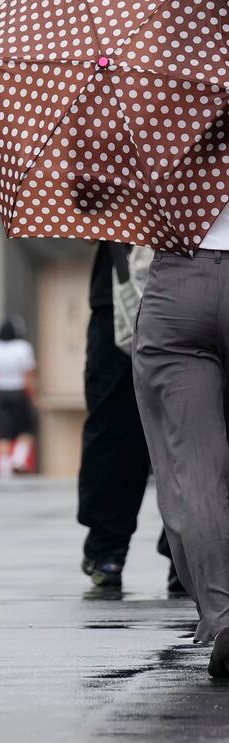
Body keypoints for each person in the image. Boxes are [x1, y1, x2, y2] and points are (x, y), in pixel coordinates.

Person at [134, 229, 229, 677]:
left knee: (192, 467)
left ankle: (223, 613)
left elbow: (89, 188)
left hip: (180, 278)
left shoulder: (160, 153)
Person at [78, 242, 178, 593]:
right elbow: (83, 215)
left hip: (185, 291)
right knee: (114, 429)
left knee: (192, 429)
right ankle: (107, 547)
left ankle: (189, 551)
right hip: (117, 297)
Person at [0, 317, 36, 478]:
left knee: (2, 431)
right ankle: (18, 459)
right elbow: (29, 374)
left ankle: (4, 467)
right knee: (25, 428)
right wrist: (32, 395)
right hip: (18, 391)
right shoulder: (24, 348)